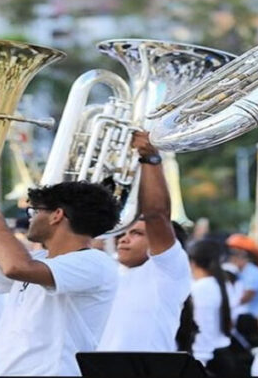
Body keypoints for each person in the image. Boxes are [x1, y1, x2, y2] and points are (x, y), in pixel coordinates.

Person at [0, 178, 120, 376]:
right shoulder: (39, 259)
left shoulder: (95, 262)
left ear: (57, 215)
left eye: (35, 211)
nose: (31, 219)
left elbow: (15, 267)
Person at [97, 131, 192, 352]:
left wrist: (151, 158)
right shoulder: (109, 270)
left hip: (145, 368)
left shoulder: (168, 270)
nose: (124, 238)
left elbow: (156, 215)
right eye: (124, 233)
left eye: (137, 233)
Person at [187, 239, 236, 375]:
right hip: (221, 352)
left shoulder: (201, 287)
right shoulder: (224, 283)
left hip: (207, 358)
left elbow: (203, 326)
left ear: (192, 262)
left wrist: (200, 360)